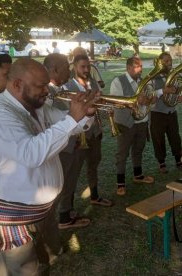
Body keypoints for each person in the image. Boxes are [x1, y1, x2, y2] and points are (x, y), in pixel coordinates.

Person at [0, 58, 98, 274]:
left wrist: (87, 113)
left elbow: (71, 125)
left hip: (31, 215)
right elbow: (30, 154)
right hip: (6, 221)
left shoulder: (36, 106)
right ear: (17, 84)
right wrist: (71, 120)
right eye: (41, 86)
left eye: (47, 84)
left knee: (38, 267)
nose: (47, 90)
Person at [62, 54, 112, 222]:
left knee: (94, 164)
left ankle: (95, 196)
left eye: (88, 67)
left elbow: (99, 103)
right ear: (74, 67)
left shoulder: (93, 83)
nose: (86, 70)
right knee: (71, 174)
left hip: (94, 132)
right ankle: (66, 210)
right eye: (82, 67)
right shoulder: (67, 86)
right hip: (76, 137)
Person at [110, 56, 155, 196]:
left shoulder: (144, 82)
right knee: (122, 154)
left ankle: (138, 175)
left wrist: (150, 100)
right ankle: (120, 183)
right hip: (125, 123)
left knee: (138, 150)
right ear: (128, 68)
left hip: (141, 121)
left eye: (141, 66)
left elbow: (151, 103)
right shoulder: (118, 81)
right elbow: (117, 102)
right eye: (137, 66)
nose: (140, 69)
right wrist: (136, 100)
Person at [149, 52, 182, 174]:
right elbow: (149, 94)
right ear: (160, 62)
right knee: (158, 139)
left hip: (171, 112)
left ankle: (179, 161)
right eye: (166, 61)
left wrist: (178, 97)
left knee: (175, 137)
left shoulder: (174, 75)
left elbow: (177, 90)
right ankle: (161, 163)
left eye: (170, 60)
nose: (169, 63)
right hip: (157, 112)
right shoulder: (152, 76)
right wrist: (162, 90)